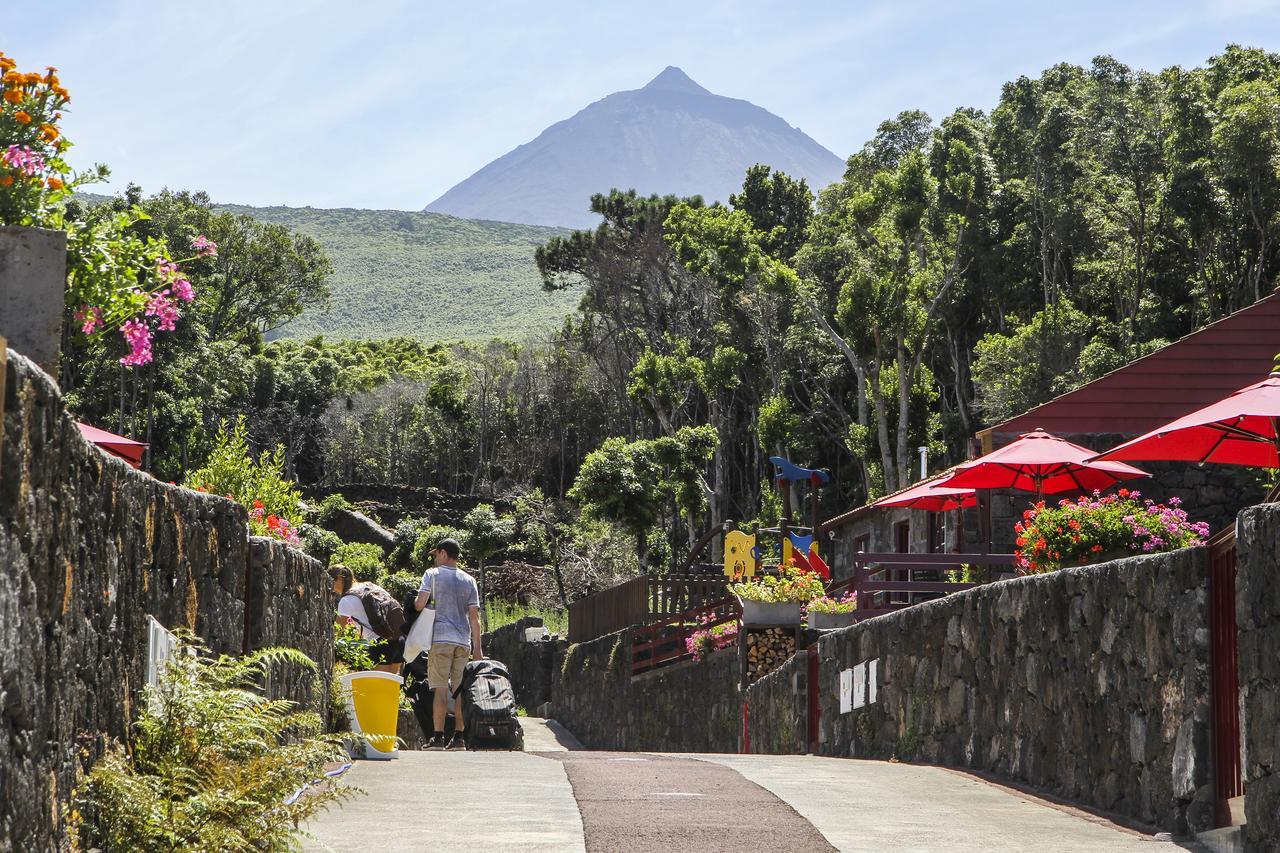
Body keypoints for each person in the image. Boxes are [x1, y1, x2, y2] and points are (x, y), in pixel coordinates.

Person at [414, 538, 483, 750]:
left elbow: (419, 604)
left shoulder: (432, 575)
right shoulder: (469, 580)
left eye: (436, 554)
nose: (435, 558)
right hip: (463, 641)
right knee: (459, 690)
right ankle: (459, 738)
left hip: (440, 639)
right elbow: (474, 617)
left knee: (440, 689)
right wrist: (478, 649)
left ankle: (437, 737)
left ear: (443, 553)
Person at [329, 565, 405, 675]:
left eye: (331, 582)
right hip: (399, 637)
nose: (331, 588)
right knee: (391, 687)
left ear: (339, 579)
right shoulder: (368, 586)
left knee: (378, 685)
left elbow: (338, 632)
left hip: (380, 643)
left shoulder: (346, 600)